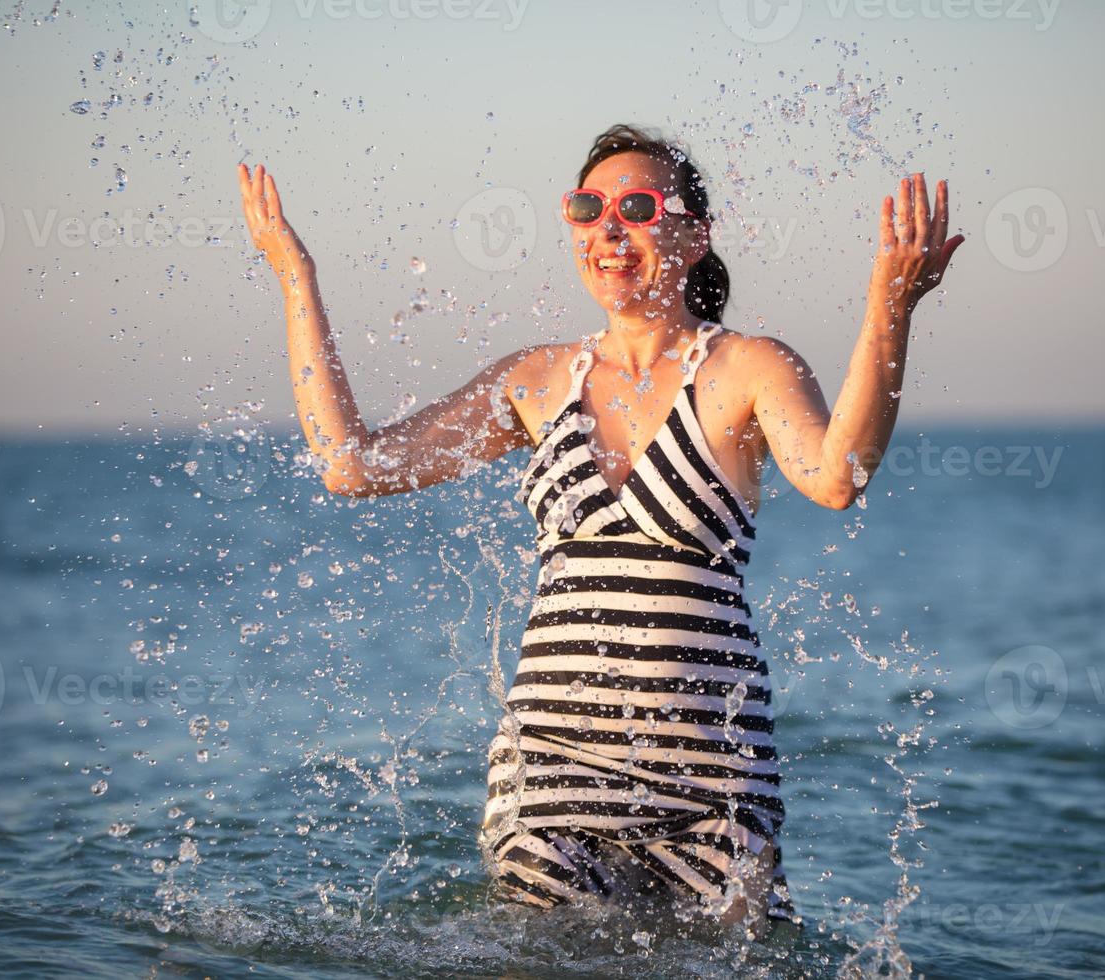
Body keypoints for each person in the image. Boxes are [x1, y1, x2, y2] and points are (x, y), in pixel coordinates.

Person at [236, 123, 962, 932]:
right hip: (553, 779)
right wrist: (294, 277)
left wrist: (890, 308)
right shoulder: (537, 380)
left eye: (639, 207)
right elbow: (353, 464)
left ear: (693, 236)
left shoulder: (749, 368)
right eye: (588, 209)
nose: (609, 231)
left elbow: (836, 476)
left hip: (710, 787)